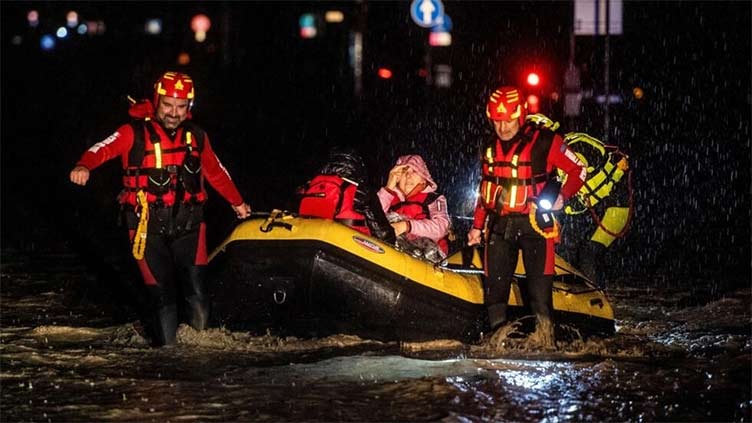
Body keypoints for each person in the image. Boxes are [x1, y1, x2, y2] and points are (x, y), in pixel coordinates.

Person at [69, 71, 251, 346]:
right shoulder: (132, 132)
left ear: (189, 107)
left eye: (180, 107)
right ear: (156, 102)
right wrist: (84, 166)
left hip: (189, 224)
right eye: (167, 105)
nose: (173, 113)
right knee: (162, 295)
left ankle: (201, 353)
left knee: (197, 291)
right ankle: (169, 358)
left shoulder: (197, 136)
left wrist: (237, 202)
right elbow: (101, 149)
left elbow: (215, 172)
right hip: (145, 226)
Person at [466, 86, 586, 340]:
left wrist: (562, 196)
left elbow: (579, 170)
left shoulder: (546, 140)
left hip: (536, 226)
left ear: (521, 115)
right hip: (499, 226)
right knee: (495, 292)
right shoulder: (488, 146)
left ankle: (545, 344)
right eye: (497, 120)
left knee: (539, 296)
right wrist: (477, 226)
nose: (503, 127)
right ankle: (497, 346)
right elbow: (486, 188)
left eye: (509, 120)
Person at [525, 114, 632, 288]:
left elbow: (576, 184)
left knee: (588, 252)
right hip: (593, 208)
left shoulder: (573, 148)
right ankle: (566, 293)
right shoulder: (560, 150)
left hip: (614, 206)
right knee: (566, 249)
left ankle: (594, 299)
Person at [298, 147, 396, 244]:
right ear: (357, 167)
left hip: (308, 240)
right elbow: (384, 236)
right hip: (346, 247)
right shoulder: (362, 192)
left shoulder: (308, 187)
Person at [377, 154, 451, 262]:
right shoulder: (389, 197)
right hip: (393, 253)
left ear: (424, 179)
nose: (408, 176)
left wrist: (406, 226)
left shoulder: (434, 199)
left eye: (415, 171)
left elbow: (441, 227)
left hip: (427, 258)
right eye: (404, 172)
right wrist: (388, 188)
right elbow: (372, 218)